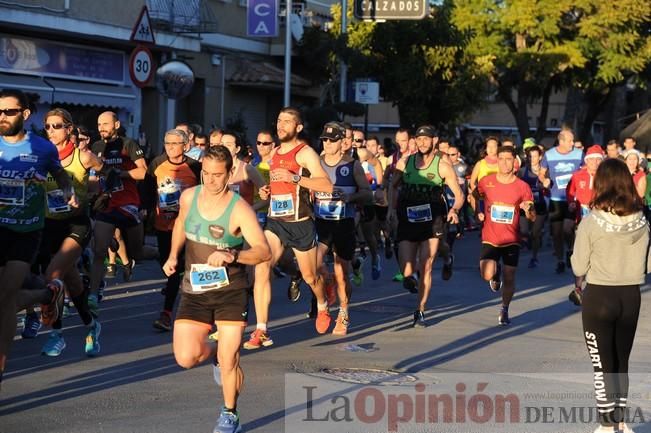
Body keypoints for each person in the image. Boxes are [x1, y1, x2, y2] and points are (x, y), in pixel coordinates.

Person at [163, 145, 271, 433]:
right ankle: (215, 353)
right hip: (195, 289)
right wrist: (173, 255)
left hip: (231, 290)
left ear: (229, 174)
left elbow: (263, 251)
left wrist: (233, 255)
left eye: (217, 175)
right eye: (206, 174)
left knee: (230, 359)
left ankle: (229, 413)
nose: (210, 181)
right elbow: (181, 223)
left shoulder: (239, 209)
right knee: (185, 358)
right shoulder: (189, 197)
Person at [0, 89, 75, 388]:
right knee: (3, 300)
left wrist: (67, 190)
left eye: (9, 112)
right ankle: (47, 294)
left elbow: (60, 174)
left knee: (5, 296)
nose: (2, 117)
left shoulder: (43, 149)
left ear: (25, 114)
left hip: (26, 231)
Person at [571, 158, 648, 433]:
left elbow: (578, 266)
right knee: (620, 362)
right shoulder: (642, 221)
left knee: (602, 365)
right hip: (630, 297)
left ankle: (606, 425)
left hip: (599, 296)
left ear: (600, 184)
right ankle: (621, 421)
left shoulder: (591, 223)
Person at [246, 107, 333, 349]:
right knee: (261, 267)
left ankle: (323, 304)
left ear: (298, 127)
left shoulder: (305, 153)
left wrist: (295, 178)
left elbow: (325, 184)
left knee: (309, 277)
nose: (281, 125)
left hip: (301, 224)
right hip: (276, 222)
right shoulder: (273, 153)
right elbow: (277, 185)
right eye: (279, 120)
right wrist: (267, 191)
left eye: (287, 121)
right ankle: (261, 329)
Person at [29, 108, 104, 356]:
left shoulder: (83, 157)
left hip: (77, 224)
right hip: (49, 226)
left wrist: (91, 191)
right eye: (47, 126)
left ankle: (56, 334)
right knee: (71, 282)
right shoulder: (40, 155)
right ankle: (92, 326)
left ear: (69, 129)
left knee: (52, 274)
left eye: (57, 126)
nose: (51, 131)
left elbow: (104, 174)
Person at [389, 125, 464, 328]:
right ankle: (412, 279)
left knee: (426, 265)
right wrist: (391, 210)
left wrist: (454, 210)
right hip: (408, 218)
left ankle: (420, 310)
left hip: (433, 220)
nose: (422, 143)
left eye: (426, 139)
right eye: (419, 139)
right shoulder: (406, 162)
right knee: (406, 271)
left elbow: (459, 195)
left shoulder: (442, 166)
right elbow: (392, 185)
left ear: (434, 140)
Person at [314, 122, 372, 335]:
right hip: (321, 221)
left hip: (343, 222)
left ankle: (343, 312)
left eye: (332, 140)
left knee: (342, 272)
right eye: (325, 140)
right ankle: (325, 284)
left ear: (341, 142)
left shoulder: (352, 165)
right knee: (314, 264)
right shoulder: (316, 163)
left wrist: (349, 197)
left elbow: (367, 193)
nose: (327, 143)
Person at [89, 112, 147, 315]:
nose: (101, 127)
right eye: (99, 124)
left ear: (117, 124)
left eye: (105, 123)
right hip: (107, 204)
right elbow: (94, 176)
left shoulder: (128, 144)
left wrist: (118, 174)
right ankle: (93, 294)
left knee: (137, 252)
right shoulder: (96, 148)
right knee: (98, 251)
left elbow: (143, 172)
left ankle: (140, 258)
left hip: (129, 203)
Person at [144, 129, 201, 332]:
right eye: (167, 143)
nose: (169, 147)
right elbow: (148, 189)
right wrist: (146, 211)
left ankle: (168, 313)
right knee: (168, 266)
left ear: (185, 146)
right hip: (163, 225)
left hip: (189, 227)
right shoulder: (157, 163)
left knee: (179, 270)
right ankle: (174, 291)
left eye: (174, 144)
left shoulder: (195, 167)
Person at [474, 146, 535, 326]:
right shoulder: (487, 181)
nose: (504, 162)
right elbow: (474, 195)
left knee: (510, 276)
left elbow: (532, 216)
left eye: (508, 159)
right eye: (501, 158)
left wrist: (528, 209)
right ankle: (494, 274)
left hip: (511, 239)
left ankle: (505, 308)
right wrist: (477, 212)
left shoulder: (522, 187)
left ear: (515, 162)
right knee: (486, 274)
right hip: (490, 236)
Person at [538, 128, 584, 273]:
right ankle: (560, 260)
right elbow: (541, 172)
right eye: (570, 140)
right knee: (557, 232)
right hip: (556, 198)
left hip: (573, 198)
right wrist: (544, 179)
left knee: (568, 228)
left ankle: (570, 249)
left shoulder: (578, 154)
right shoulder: (549, 155)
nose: (573, 143)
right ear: (561, 141)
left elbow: (584, 171)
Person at [566, 145, 604, 306]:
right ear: (586, 160)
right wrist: (571, 204)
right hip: (581, 220)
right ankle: (578, 288)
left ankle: (594, 287)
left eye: (598, 159)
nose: (595, 162)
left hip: (600, 221)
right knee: (581, 254)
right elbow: (570, 192)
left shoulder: (605, 177)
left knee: (597, 255)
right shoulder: (577, 175)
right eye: (592, 159)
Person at [517, 145, 547, 268]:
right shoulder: (522, 171)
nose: (532, 159)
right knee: (524, 231)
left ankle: (534, 257)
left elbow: (551, 186)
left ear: (540, 157)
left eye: (535, 156)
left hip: (540, 205)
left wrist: (545, 186)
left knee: (535, 233)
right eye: (530, 156)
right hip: (525, 206)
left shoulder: (545, 171)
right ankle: (527, 239)